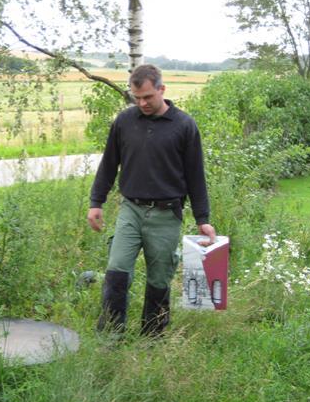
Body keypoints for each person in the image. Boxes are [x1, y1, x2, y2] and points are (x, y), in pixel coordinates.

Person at [87, 64, 216, 336]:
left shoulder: (184, 125)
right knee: (117, 270)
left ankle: (152, 337)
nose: (142, 103)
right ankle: (110, 335)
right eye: (137, 98)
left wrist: (203, 219)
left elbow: (196, 176)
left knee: (159, 279)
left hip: (166, 215)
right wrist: (96, 202)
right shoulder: (124, 122)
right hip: (130, 210)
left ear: (161, 89)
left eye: (148, 97)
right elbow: (109, 164)